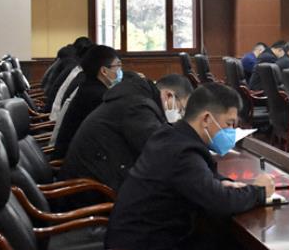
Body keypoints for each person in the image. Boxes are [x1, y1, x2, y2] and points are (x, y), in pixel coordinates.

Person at [105, 83, 275, 250]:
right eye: (229, 124)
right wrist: (258, 192)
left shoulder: (171, 136)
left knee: (229, 246)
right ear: (206, 119)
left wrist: (221, 182)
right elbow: (220, 202)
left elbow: (202, 180)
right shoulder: (183, 152)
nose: (231, 132)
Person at [59, 73, 193, 196]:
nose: (180, 115)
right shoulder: (137, 107)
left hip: (93, 182)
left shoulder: (135, 97)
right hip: (90, 195)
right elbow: (161, 151)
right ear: (169, 96)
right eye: (181, 109)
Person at [52, 45, 122, 159]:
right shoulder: (98, 96)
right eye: (118, 66)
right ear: (104, 71)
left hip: (74, 154)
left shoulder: (89, 87)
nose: (120, 71)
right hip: (75, 162)